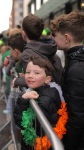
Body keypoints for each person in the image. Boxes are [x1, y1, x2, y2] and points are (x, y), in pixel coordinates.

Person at [13, 55, 67, 150]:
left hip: (40, 145)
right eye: (28, 72)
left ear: (47, 79)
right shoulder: (43, 90)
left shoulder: (45, 100)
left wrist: (23, 99)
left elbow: (25, 124)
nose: (30, 76)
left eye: (36, 73)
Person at [50, 11, 84, 150]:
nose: (53, 40)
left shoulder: (76, 68)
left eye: (56, 36)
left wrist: (68, 144)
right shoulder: (76, 60)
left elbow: (78, 115)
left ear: (66, 38)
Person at [12, 14, 63, 88]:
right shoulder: (49, 46)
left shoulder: (26, 54)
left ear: (24, 33)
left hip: (45, 94)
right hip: (56, 91)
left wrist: (17, 81)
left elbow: (35, 80)